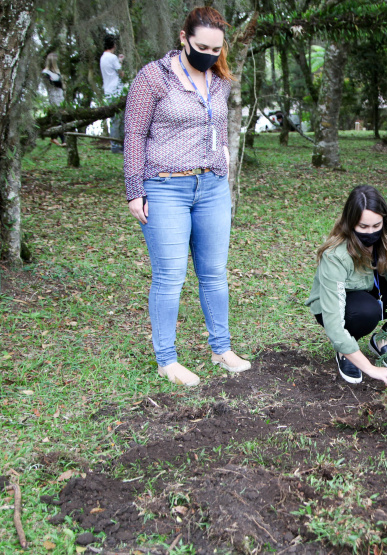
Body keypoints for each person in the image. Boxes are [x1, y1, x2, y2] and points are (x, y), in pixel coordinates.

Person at [124, 6, 250, 387]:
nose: (210, 55)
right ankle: (167, 359)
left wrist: (224, 171)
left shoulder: (220, 80)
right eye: (202, 47)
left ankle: (221, 348)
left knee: (214, 274)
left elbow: (220, 130)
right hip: (164, 188)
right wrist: (134, 190)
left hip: (211, 188)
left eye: (216, 49)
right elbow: (134, 135)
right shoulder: (154, 78)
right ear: (183, 38)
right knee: (170, 276)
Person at [307, 185, 387, 384]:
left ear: (384, 219)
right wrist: (370, 369)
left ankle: (381, 339)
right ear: (350, 224)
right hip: (344, 305)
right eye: (363, 227)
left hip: (374, 291)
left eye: (376, 226)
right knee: (366, 311)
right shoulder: (335, 256)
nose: (371, 233)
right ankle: (345, 352)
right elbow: (333, 322)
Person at [100, 36, 125, 154]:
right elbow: (121, 73)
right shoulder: (112, 57)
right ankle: (116, 146)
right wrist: (120, 61)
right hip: (116, 91)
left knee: (115, 119)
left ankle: (117, 144)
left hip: (108, 90)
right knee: (119, 120)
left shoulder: (103, 58)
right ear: (113, 45)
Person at [42, 52, 67, 147]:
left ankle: (54, 137)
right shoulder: (46, 72)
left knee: (59, 117)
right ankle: (62, 139)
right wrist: (59, 82)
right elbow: (54, 84)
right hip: (54, 96)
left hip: (60, 96)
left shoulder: (57, 72)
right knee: (58, 116)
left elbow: (60, 84)